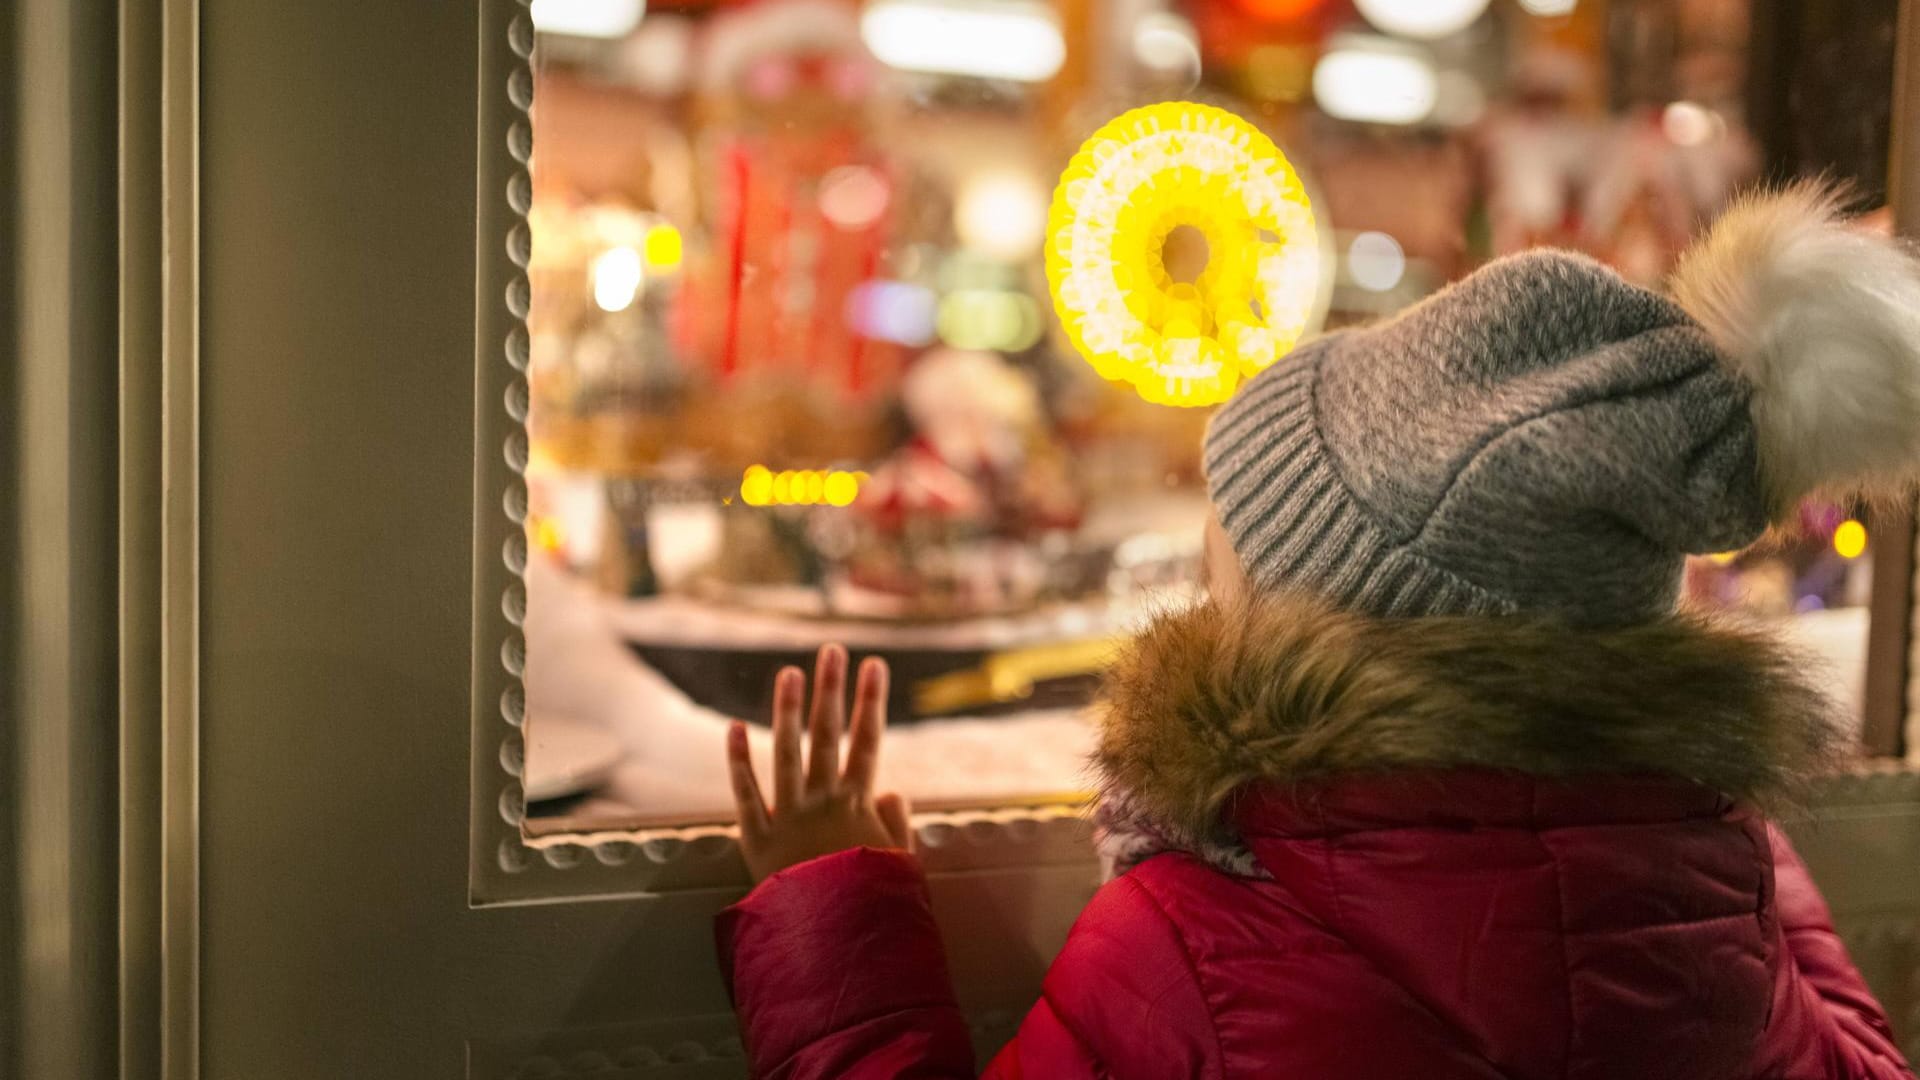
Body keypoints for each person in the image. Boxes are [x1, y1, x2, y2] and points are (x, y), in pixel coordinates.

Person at [712, 183, 1920, 1079]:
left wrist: (836, 917)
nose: (1208, 555)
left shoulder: (1200, 945)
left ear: (1321, 608)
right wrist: (1698, 794)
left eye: (1239, 525)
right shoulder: (1706, 926)